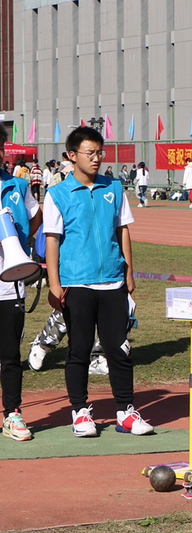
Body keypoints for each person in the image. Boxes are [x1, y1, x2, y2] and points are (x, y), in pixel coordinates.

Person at [44, 126, 153, 437]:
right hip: (77, 284)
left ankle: (126, 412)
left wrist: (128, 272)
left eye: (99, 153)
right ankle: (80, 413)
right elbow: (52, 241)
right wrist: (54, 284)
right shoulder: (57, 194)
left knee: (119, 349)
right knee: (78, 350)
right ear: (71, 155)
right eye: (89, 153)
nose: (96, 158)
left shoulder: (114, 188)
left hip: (113, 282)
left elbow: (123, 230)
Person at [0, 124, 43, 441]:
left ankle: (12, 414)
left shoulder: (17, 185)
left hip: (9, 284)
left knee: (9, 355)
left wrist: (22, 237)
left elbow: (36, 215)